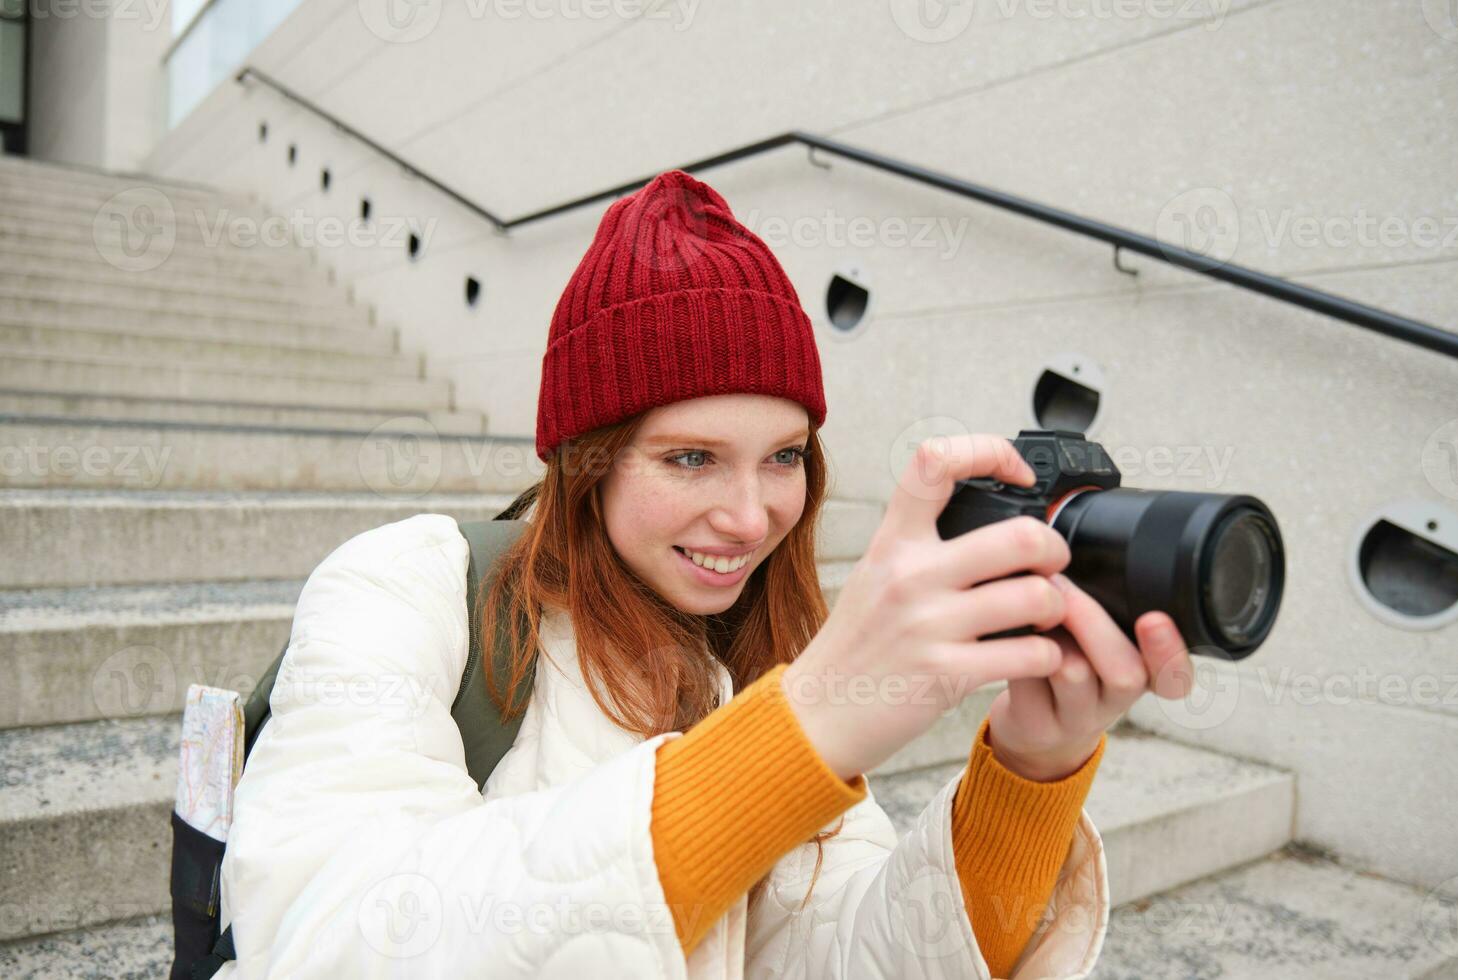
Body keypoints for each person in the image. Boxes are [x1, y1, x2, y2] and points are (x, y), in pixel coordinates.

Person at [216, 169, 1194, 979]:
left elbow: (841, 955)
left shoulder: (767, 657)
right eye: (691, 457)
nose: (751, 513)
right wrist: (803, 727)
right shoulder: (407, 582)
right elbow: (328, 939)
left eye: (784, 456)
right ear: (586, 457)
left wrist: (1029, 770)